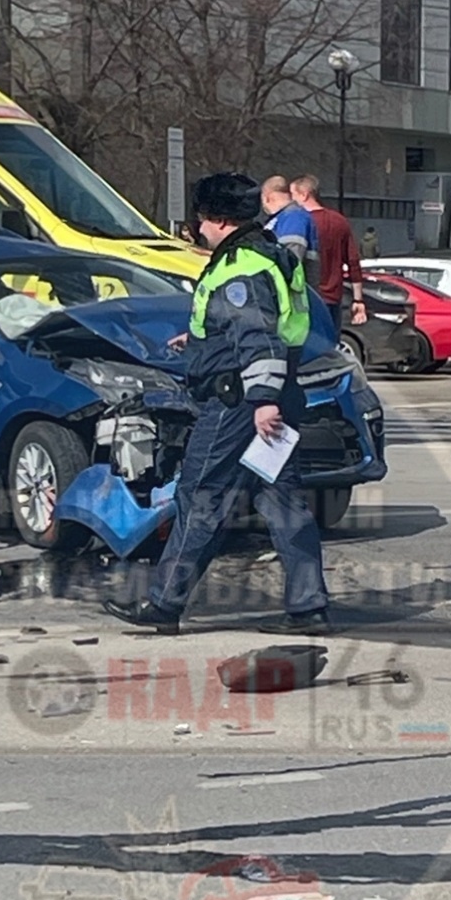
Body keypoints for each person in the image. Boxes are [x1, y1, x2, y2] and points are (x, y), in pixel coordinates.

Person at [104, 172, 330, 637]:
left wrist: (261, 401)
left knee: (200, 496)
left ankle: (165, 604)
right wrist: (202, 341)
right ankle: (309, 607)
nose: (197, 229)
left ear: (220, 220)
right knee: (283, 501)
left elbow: (257, 336)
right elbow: (269, 328)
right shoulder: (270, 253)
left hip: (239, 403)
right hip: (273, 393)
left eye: (202, 220)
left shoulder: (237, 268)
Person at [290, 174, 366, 326]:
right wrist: (358, 299)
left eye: (293, 195)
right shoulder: (339, 221)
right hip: (333, 298)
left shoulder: (297, 222)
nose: (291, 201)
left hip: (307, 298)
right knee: (330, 345)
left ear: (304, 195)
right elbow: (353, 262)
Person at [261, 175, 316, 267]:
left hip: (288, 280)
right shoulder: (285, 217)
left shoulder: (294, 217)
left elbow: (291, 259)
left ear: (267, 197)